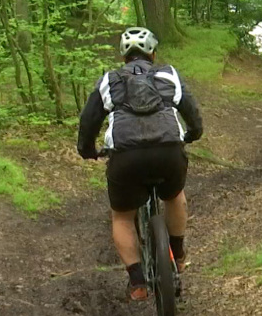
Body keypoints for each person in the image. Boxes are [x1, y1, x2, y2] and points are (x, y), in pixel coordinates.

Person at [77, 27, 203, 301]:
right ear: (152, 53)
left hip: (126, 157)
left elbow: (89, 122)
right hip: (167, 151)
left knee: (122, 215)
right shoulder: (168, 74)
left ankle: (137, 282)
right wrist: (194, 133)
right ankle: (178, 253)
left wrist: (87, 150)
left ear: (124, 57)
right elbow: (191, 110)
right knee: (174, 195)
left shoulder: (110, 80)